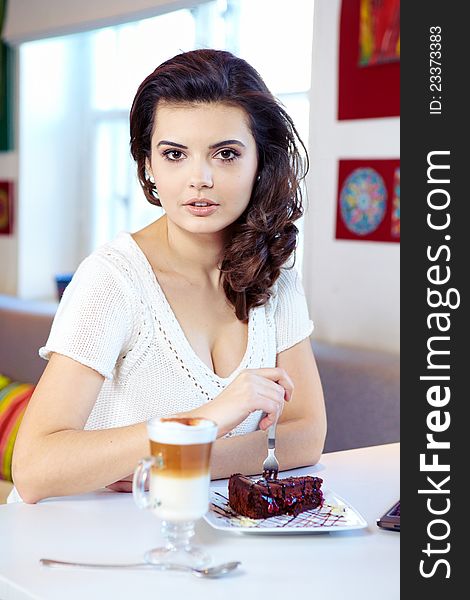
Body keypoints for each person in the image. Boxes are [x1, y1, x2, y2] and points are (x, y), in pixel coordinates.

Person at [11, 49, 326, 504]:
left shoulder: (274, 274)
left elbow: (306, 435)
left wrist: (177, 461)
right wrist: (208, 419)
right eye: (175, 154)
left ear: (261, 162)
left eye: (225, 154)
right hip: (76, 548)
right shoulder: (113, 280)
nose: (199, 178)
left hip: (194, 540)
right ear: (148, 166)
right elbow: (34, 468)